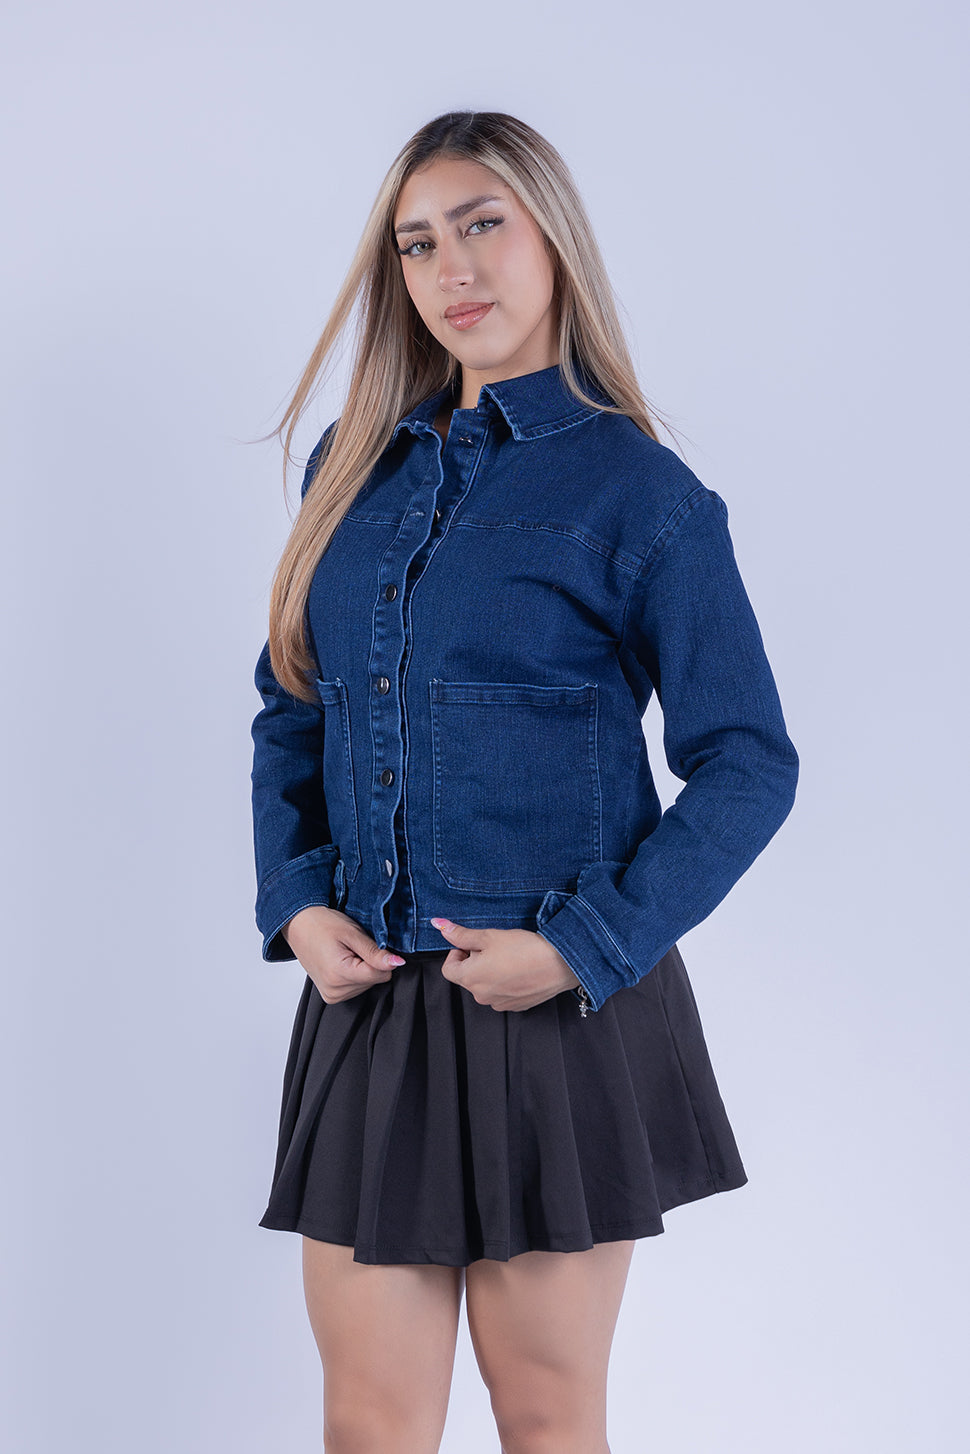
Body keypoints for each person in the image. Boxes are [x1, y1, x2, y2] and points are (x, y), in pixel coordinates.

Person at [249, 109, 798, 1454]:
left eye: (481, 224)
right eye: (417, 244)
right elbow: (292, 705)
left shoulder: (641, 492)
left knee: (546, 1419)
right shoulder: (349, 471)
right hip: (372, 1003)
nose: (452, 269)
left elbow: (747, 762)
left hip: (557, 1012)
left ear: (553, 236)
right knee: (367, 1424)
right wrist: (297, 898)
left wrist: (580, 947)